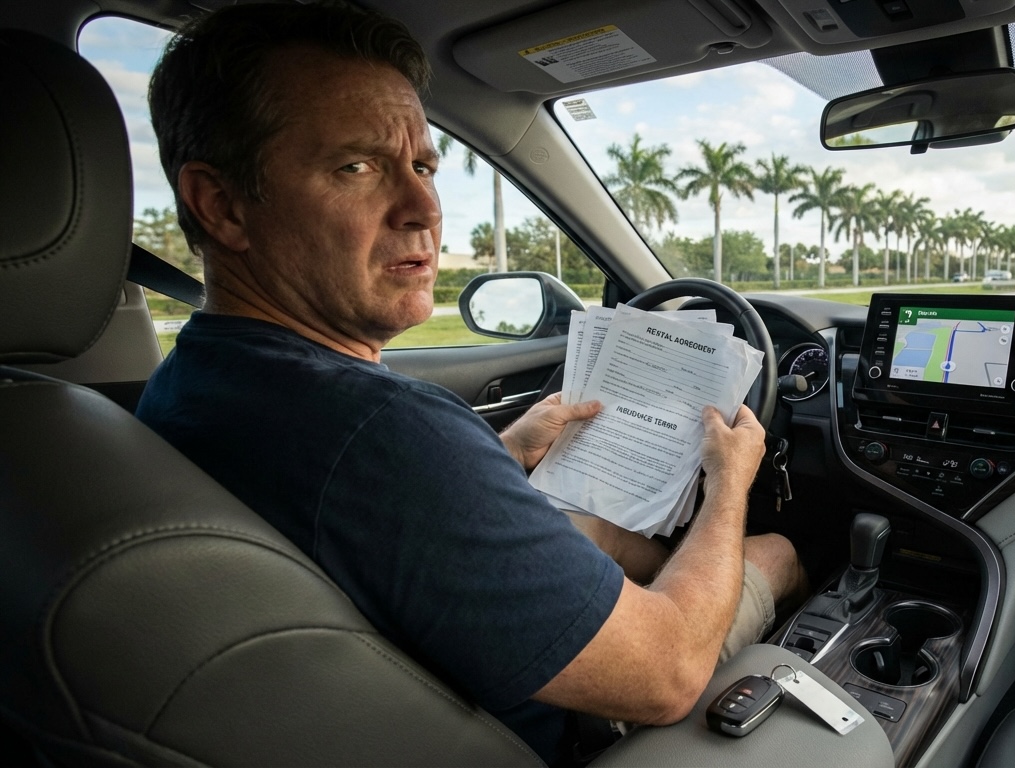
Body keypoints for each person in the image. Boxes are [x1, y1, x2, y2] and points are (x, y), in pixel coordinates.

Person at [134, 2, 805, 763]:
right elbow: (668, 673)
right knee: (773, 551)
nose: (423, 208)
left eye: (422, 167)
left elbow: (371, 509)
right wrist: (728, 487)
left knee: (614, 537)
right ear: (220, 206)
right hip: (567, 728)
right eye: (356, 167)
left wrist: (497, 452)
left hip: (401, 679)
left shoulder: (198, 376)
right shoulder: (383, 433)